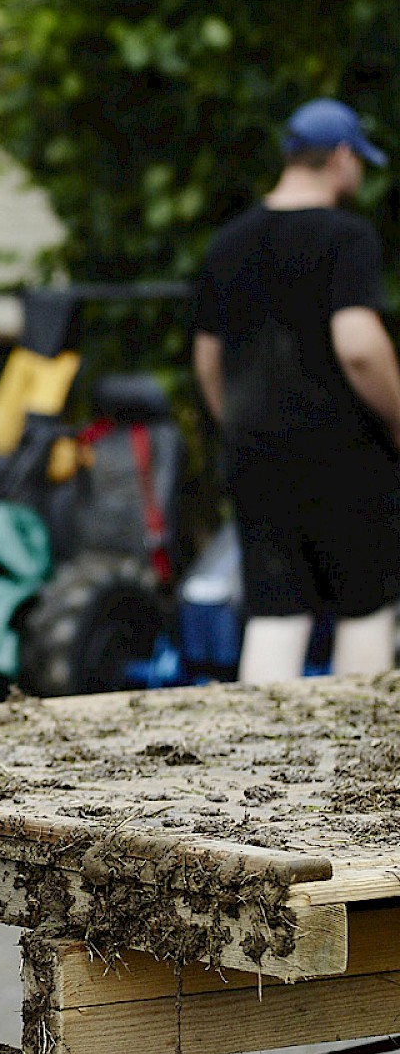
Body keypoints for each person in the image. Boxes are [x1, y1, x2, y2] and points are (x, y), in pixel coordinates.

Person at [193, 98, 400, 685]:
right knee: (365, 608)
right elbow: (358, 345)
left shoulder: (227, 243)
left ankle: (264, 764)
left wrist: (234, 425)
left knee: (276, 612)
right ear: (339, 157)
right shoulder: (346, 238)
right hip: (347, 458)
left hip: (257, 459)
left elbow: (208, 360)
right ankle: (358, 761)